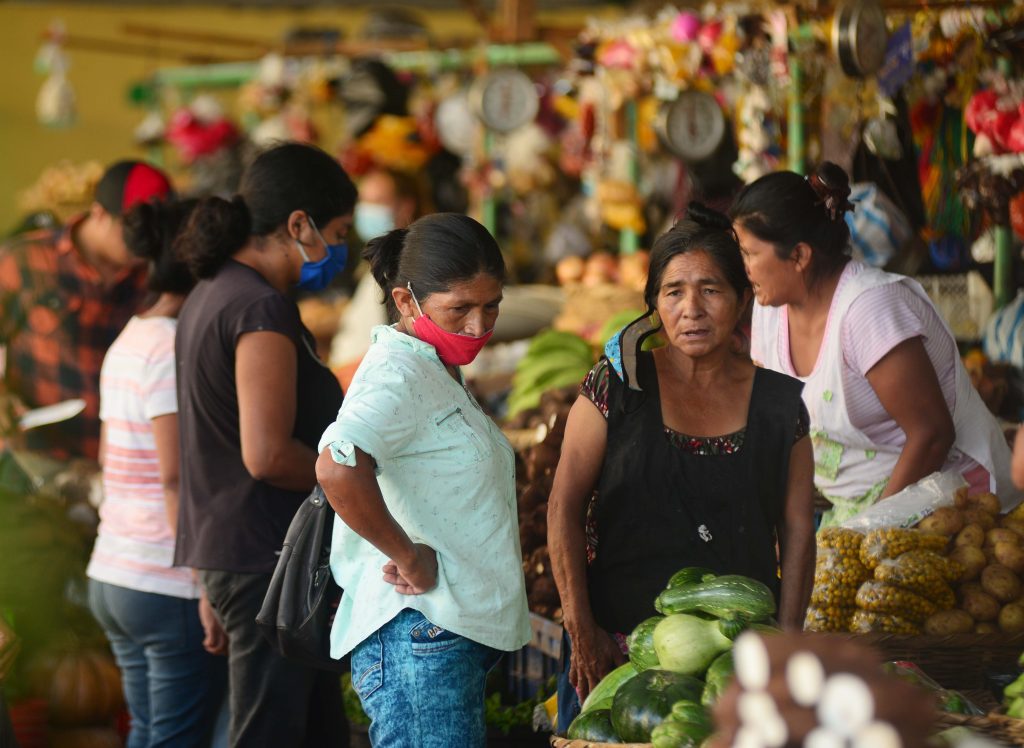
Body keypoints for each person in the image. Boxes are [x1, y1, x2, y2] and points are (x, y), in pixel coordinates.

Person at [547, 205, 815, 732]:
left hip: (734, 663)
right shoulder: (616, 388)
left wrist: (786, 641)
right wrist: (582, 630)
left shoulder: (781, 406)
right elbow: (563, 506)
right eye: (674, 292)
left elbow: (799, 529)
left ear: (742, 301)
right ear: (653, 305)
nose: (691, 308)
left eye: (711, 290)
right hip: (616, 649)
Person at [315, 213, 530, 748]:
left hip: (439, 638)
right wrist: (406, 553)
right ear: (407, 301)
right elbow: (337, 465)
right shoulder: (396, 375)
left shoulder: (432, 366)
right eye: (459, 309)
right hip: (418, 638)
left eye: (491, 306)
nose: (479, 326)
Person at [173, 142, 355, 747]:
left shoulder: (211, 293)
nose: (340, 249)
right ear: (297, 225)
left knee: (312, 729)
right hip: (263, 560)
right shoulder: (258, 308)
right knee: (270, 732)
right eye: (338, 232)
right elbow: (266, 454)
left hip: (241, 555)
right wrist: (358, 483)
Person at [731, 162, 1019, 525]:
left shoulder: (868, 310)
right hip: (854, 508)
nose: (743, 268)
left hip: (949, 501)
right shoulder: (770, 309)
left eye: (750, 254)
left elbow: (931, 435)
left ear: (800, 256)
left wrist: (871, 533)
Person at [86, 198, 227, 748]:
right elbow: (175, 478)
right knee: (174, 737)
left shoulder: (130, 337)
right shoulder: (171, 346)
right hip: (161, 579)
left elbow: (110, 458)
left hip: (114, 569)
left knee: (150, 732)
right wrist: (204, 582)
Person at [0, 160, 173, 460]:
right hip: (34, 456)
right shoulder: (26, 260)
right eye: (136, 229)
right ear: (100, 214)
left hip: (118, 463)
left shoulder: (155, 279)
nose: (147, 243)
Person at [329, 167, 425, 370]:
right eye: (363, 201)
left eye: (378, 201)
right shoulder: (373, 263)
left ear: (405, 207)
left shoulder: (407, 267)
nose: (367, 210)